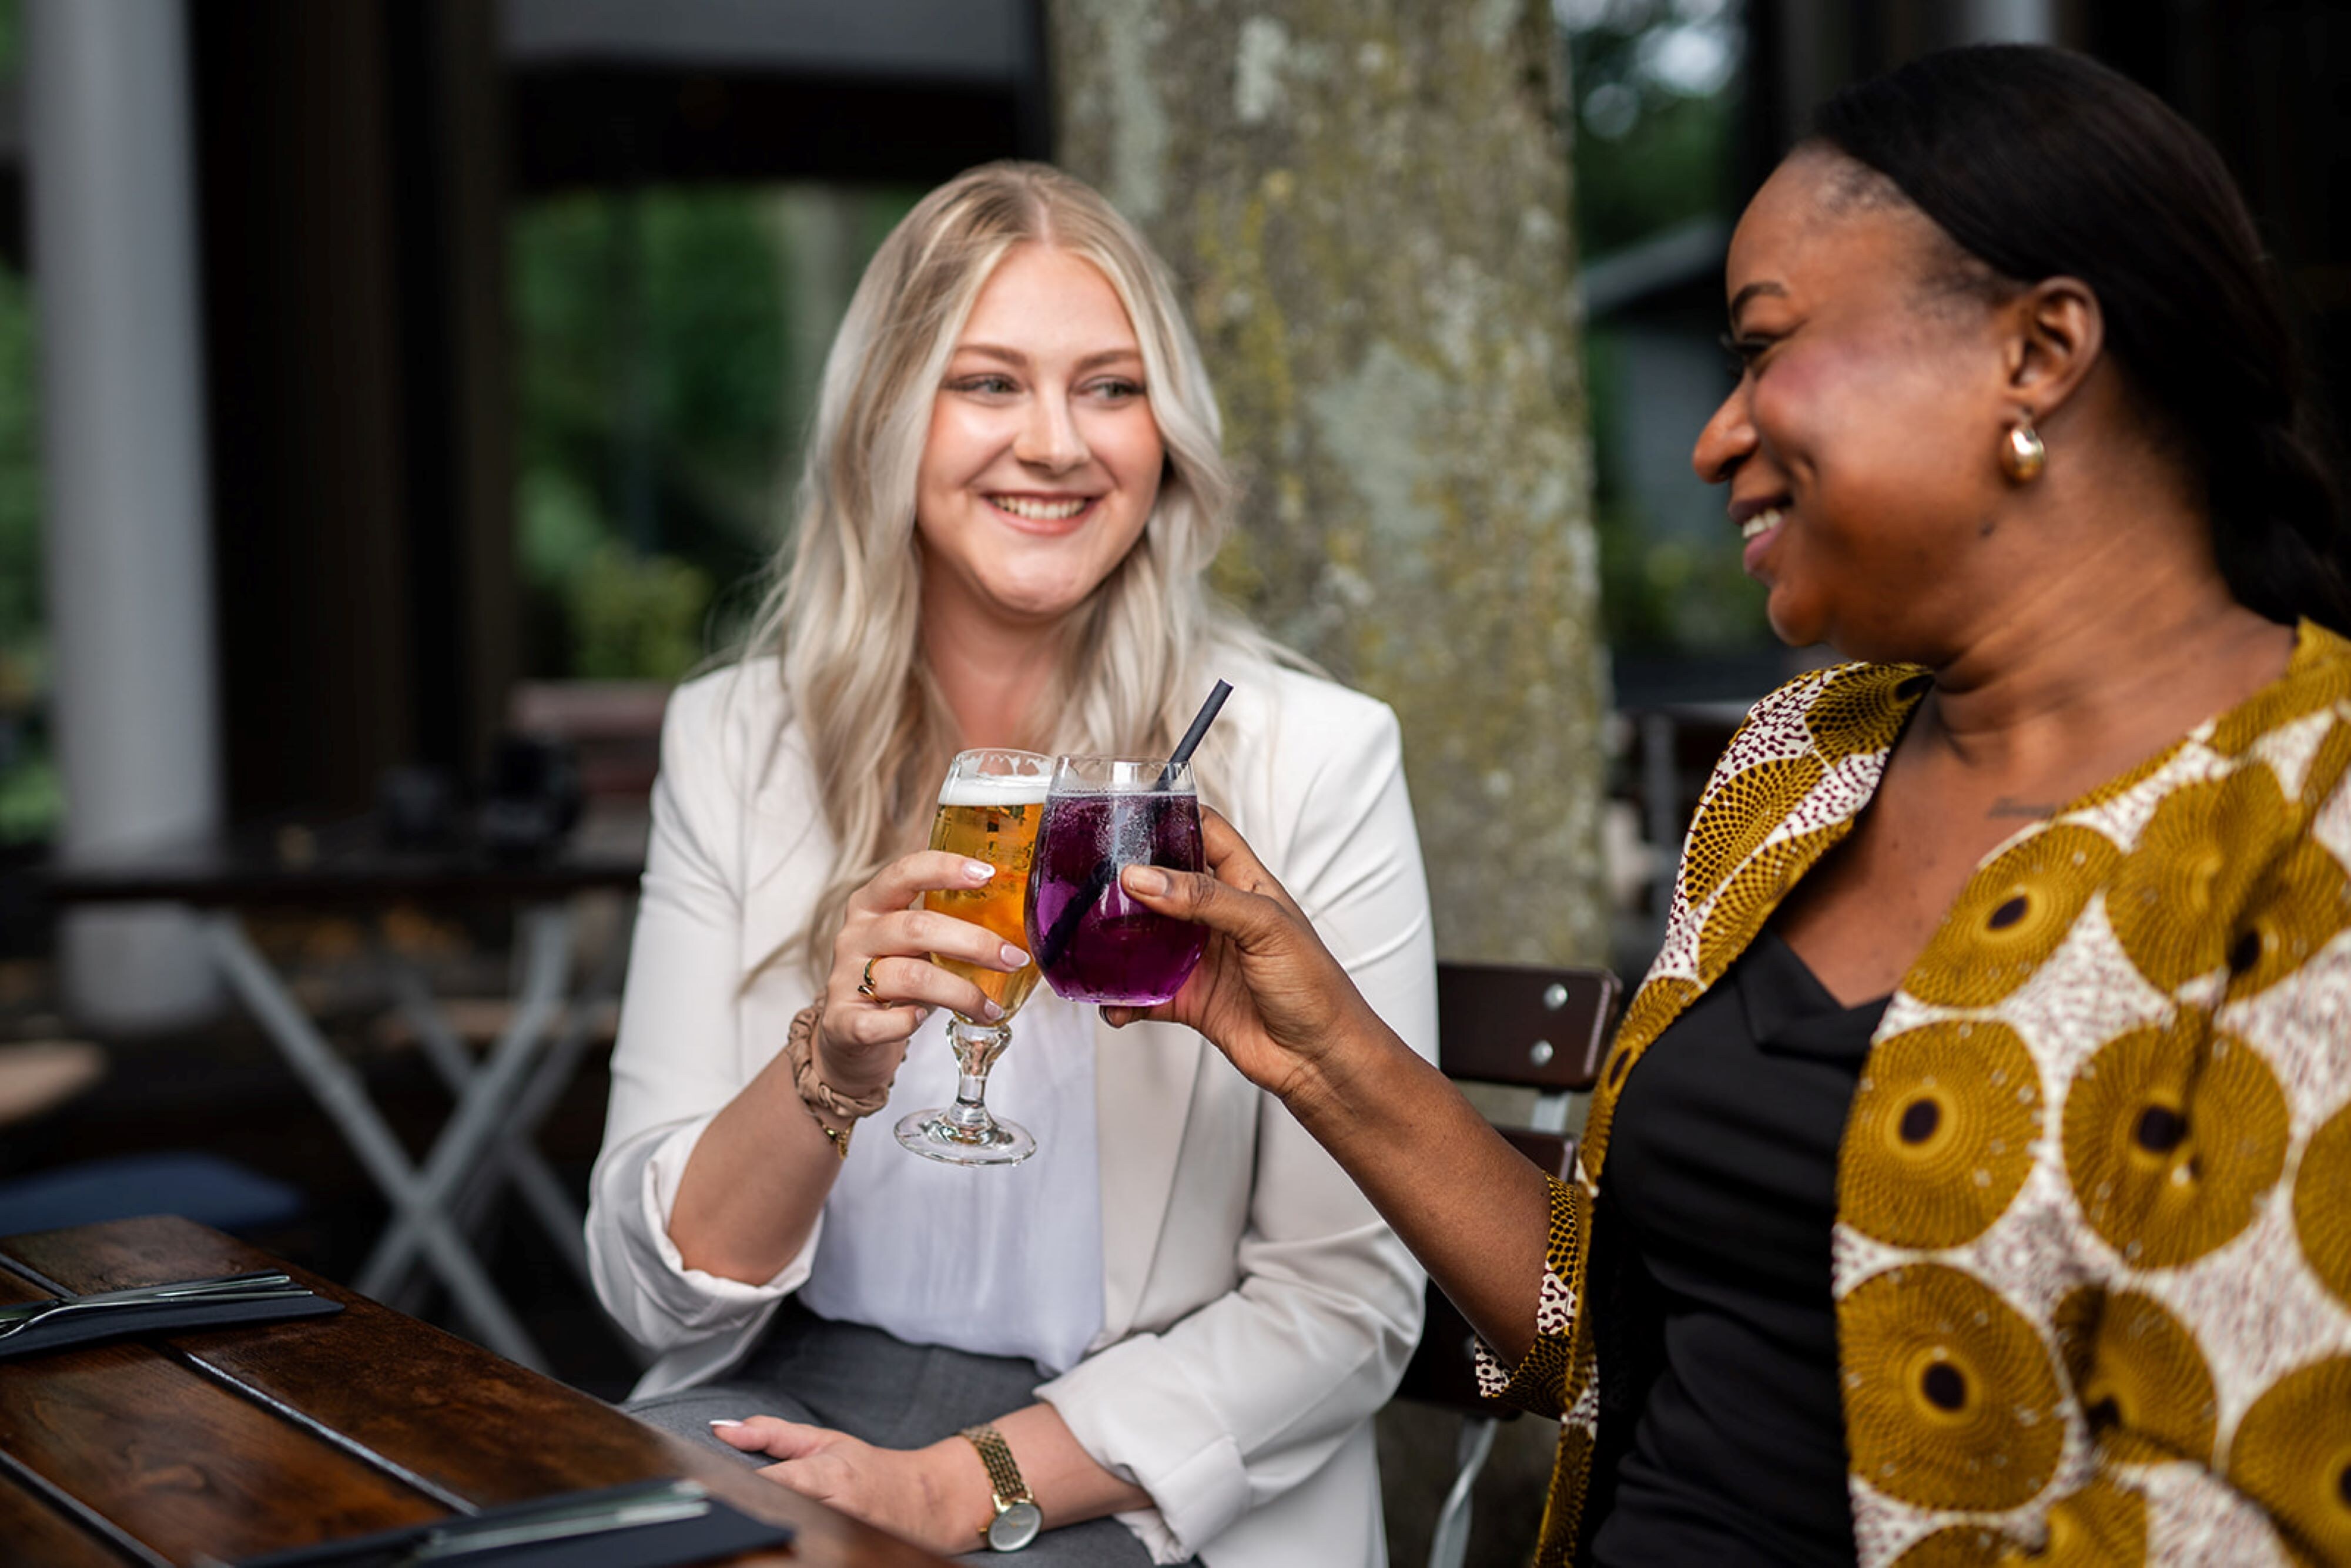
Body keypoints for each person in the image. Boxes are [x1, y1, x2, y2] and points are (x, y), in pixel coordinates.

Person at [1101, 45, 2351, 1568]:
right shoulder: (1802, 762)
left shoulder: (2307, 826)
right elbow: (1618, 1345)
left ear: (2038, 351)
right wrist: (1321, 1048)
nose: (1712, 436)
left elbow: (2232, 1519)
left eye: (1765, 349)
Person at [583, 161, 1438, 1568]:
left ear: (1164, 436)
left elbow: (1345, 1300)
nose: (1054, 443)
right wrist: (825, 1072)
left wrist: (955, 1482)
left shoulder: (1308, 759)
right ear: (885, 417)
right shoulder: (738, 739)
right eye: (987, 383)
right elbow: (653, 1292)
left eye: (1109, 388)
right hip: (791, 1390)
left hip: (1120, 1456)